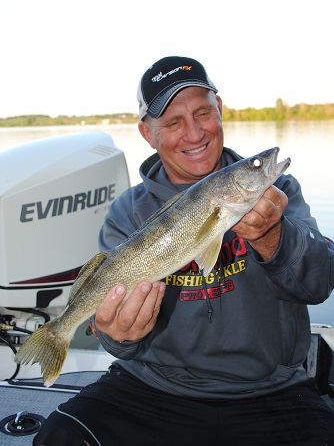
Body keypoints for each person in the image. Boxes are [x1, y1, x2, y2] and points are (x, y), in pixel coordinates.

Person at [34, 56, 334, 446]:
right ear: (147, 133)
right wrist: (118, 337)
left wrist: (273, 237)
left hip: (271, 391)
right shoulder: (128, 212)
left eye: (203, 113)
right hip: (155, 389)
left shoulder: (277, 195)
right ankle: (55, 335)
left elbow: (320, 284)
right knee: (61, 436)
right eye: (174, 123)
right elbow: (114, 337)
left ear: (220, 110)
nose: (194, 134)